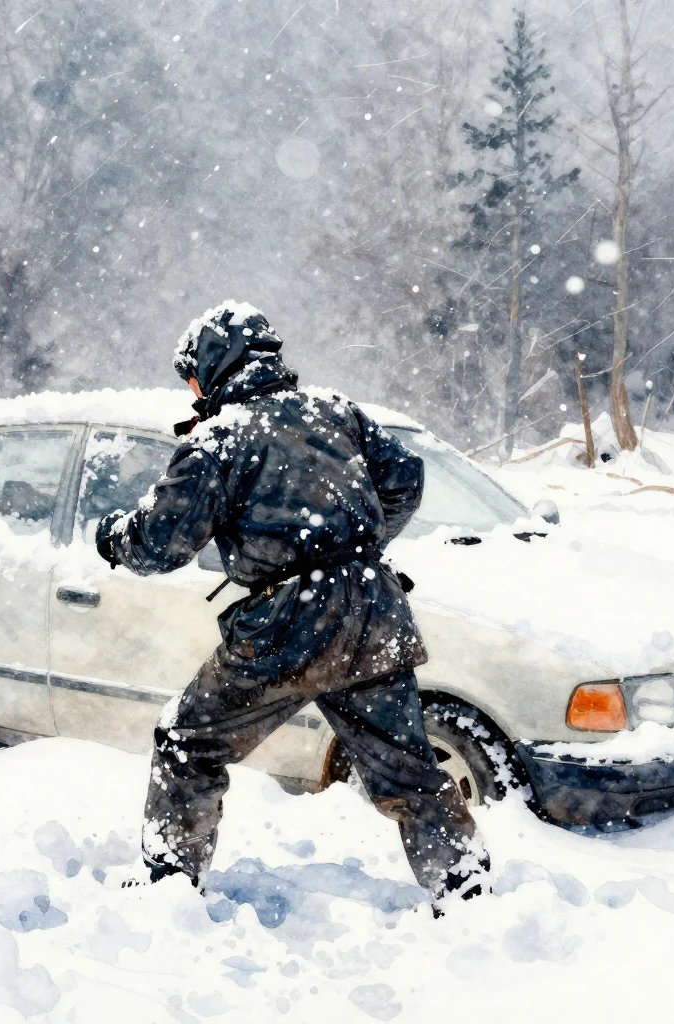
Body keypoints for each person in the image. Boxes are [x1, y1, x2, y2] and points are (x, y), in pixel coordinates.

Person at [95, 300, 489, 909]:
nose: (192, 390)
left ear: (215, 367)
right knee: (408, 773)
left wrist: (115, 537)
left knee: (188, 741)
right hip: (370, 614)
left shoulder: (219, 441)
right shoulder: (337, 413)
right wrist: (353, 548)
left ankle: (170, 884)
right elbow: (405, 479)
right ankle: (467, 891)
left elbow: (163, 544)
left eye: (193, 375)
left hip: (284, 628)